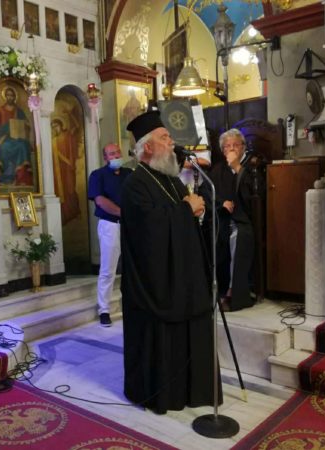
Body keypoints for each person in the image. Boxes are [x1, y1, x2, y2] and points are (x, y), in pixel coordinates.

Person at [120, 111, 220, 414]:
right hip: (156, 283)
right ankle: (164, 394)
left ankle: (191, 391)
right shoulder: (135, 184)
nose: (172, 143)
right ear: (148, 147)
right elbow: (149, 231)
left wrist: (198, 211)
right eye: (165, 137)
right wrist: (185, 211)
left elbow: (182, 218)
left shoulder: (172, 180)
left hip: (183, 277)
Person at [199, 128, 258, 312]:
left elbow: (253, 195)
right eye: (227, 146)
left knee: (237, 237)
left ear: (243, 147)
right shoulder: (218, 169)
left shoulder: (251, 166)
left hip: (243, 221)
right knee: (208, 236)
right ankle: (213, 290)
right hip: (222, 219)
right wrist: (221, 202)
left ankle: (235, 292)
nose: (231, 149)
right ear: (223, 150)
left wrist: (237, 167)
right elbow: (206, 190)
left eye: (235, 145)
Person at [88, 143, 132, 327]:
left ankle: (132, 304)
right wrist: (124, 213)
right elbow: (100, 200)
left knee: (133, 268)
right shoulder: (98, 175)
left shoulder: (129, 174)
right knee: (108, 269)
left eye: (118, 153)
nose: (116, 156)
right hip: (110, 225)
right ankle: (104, 310)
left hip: (131, 226)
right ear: (105, 158)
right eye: (112, 154)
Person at [0, 86, 34, 186]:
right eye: (8, 95)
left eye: (12, 95)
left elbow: (26, 125)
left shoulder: (18, 111)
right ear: (5, 96)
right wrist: (8, 127)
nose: (10, 97)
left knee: (23, 145)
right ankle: (7, 177)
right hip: (5, 138)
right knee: (4, 147)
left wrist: (25, 125)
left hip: (18, 138)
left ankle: (22, 178)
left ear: (14, 97)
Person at [51, 115, 81, 224]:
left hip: (68, 169)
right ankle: (64, 216)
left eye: (56, 126)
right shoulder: (53, 141)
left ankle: (74, 212)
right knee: (60, 191)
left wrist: (70, 114)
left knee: (70, 189)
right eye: (53, 127)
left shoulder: (68, 136)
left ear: (61, 125)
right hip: (58, 171)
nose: (55, 129)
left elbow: (76, 128)